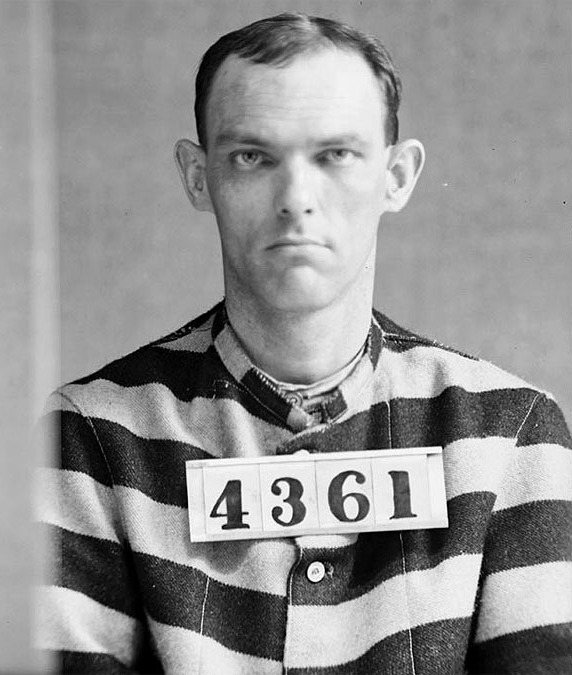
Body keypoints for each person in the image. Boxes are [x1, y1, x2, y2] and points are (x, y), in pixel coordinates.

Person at [39, 12, 572, 673]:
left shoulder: (510, 434)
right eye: (252, 157)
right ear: (199, 176)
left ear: (398, 175)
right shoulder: (92, 436)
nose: (296, 198)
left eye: (335, 155)